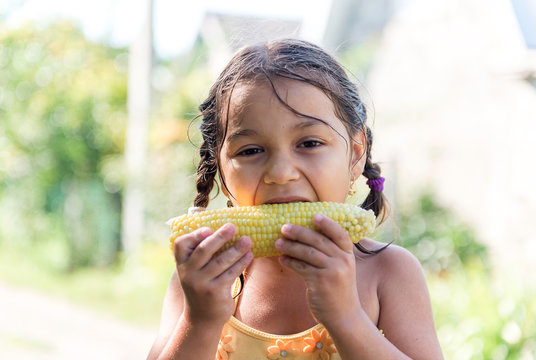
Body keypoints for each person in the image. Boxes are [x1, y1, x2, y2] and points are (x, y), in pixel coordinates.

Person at [147, 38, 443, 359]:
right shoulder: (201, 279)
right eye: (250, 151)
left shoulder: (389, 273)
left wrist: (347, 318)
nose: (281, 172)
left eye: (310, 143)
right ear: (220, 170)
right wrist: (200, 321)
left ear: (355, 156)